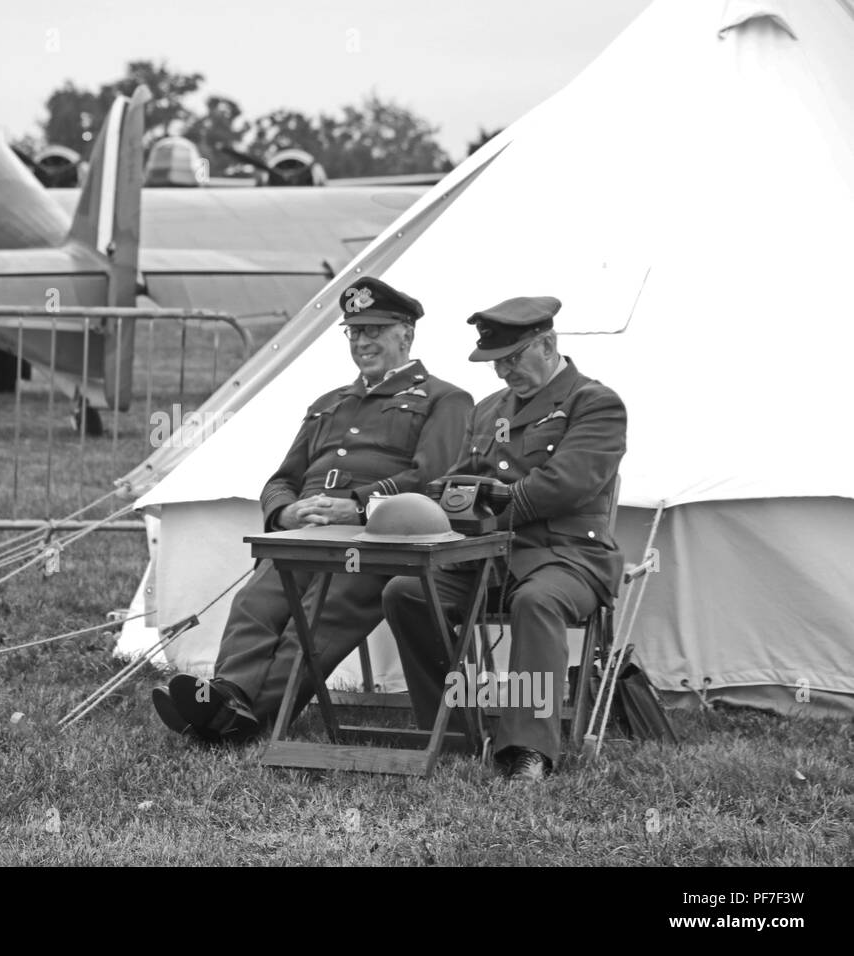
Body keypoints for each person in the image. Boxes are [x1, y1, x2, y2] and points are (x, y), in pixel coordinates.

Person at [151, 277, 473, 742]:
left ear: (406, 333)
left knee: (317, 619)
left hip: (378, 542)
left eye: (375, 331)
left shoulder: (445, 400)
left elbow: (431, 480)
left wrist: (357, 508)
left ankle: (243, 718)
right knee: (256, 603)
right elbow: (282, 480)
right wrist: (285, 514)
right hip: (303, 536)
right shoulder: (328, 405)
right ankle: (228, 693)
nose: (363, 342)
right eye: (355, 333)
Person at [381, 295, 626, 782]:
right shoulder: (489, 408)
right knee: (405, 593)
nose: (503, 373)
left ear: (549, 345)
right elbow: (458, 479)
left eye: (513, 359)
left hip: (567, 555)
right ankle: (451, 728)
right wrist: (444, 497)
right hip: (489, 558)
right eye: (496, 363)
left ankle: (526, 750)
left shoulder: (595, 403)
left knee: (536, 602)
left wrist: (485, 501)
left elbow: (566, 484)